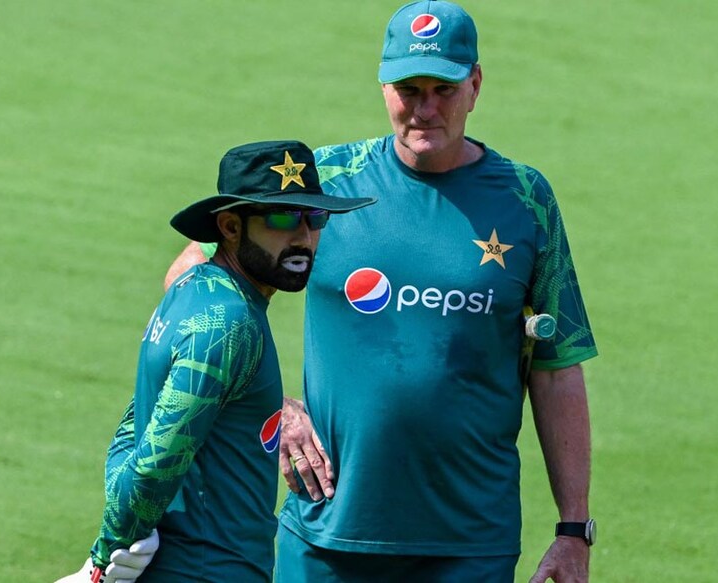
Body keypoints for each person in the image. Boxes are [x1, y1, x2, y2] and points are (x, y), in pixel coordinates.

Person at [165, 2, 599, 581]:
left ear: (475, 84)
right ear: (383, 84)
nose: (424, 109)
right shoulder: (326, 186)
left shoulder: (525, 199)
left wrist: (573, 529)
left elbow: (556, 366)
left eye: (442, 88)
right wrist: (272, 402)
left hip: (470, 545)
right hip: (327, 533)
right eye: (407, 88)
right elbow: (195, 278)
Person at [57, 140, 374, 582]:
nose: (302, 236)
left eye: (314, 217)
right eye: (282, 217)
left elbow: (133, 432)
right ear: (230, 226)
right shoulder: (230, 324)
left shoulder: (191, 292)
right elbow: (152, 466)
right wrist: (100, 561)